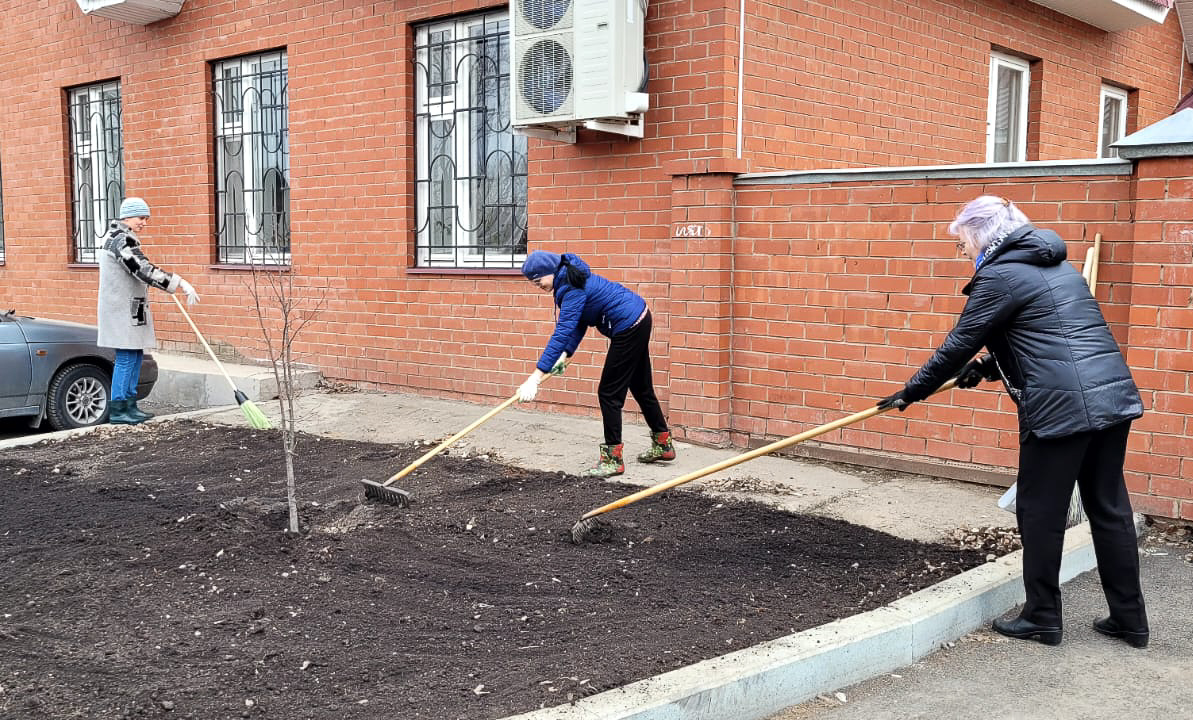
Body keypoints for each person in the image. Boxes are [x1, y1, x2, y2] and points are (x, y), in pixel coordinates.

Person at [875, 195, 1147, 648]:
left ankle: (1042, 617)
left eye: (962, 244)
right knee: (1110, 509)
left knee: (1040, 512)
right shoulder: (1056, 266)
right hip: (1112, 397)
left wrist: (913, 390)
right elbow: (1046, 335)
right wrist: (986, 367)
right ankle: (1130, 621)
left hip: (1062, 409)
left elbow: (958, 342)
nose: (962, 253)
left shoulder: (999, 274)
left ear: (981, 236)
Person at [518, 250, 675, 477]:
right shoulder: (569, 280)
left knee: (609, 393)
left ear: (550, 272)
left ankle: (613, 459)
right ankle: (663, 444)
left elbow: (562, 332)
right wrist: (565, 356)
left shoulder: (570, 287)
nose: (536, 285)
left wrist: (534, 378)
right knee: (641, 387)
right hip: (639, 316)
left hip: (628, 326)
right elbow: (579, 322)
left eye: (537, 280)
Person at [97, 197, 200, 425]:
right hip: (120, 311)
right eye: (141, 217)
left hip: (130, 310)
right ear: (127, 216)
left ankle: (130, 406)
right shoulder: (119, 241)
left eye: (146, 218)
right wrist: (178, 282)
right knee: (125, 358)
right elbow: (142, 270)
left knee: (135, 355)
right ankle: (119, 410)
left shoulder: (125, 239)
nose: (144, 222)